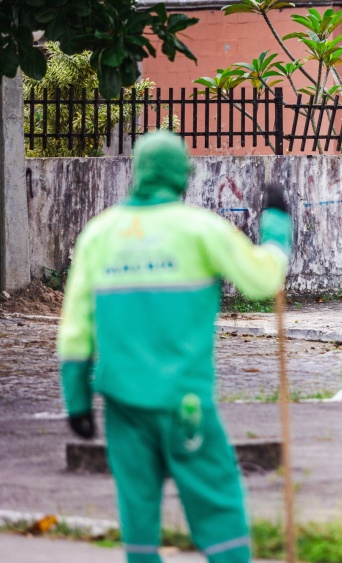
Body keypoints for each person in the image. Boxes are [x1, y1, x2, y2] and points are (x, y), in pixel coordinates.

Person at [57, 130, 293, 563]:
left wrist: (76, 399)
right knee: (216, 502)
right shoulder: (200, 229)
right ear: (182, 174)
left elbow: (75, 327)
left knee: (137, 508)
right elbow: (263, 280)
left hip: (122, 402)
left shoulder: (99, 234)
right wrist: (277, 230)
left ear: (138, 171)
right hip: (185, 401)